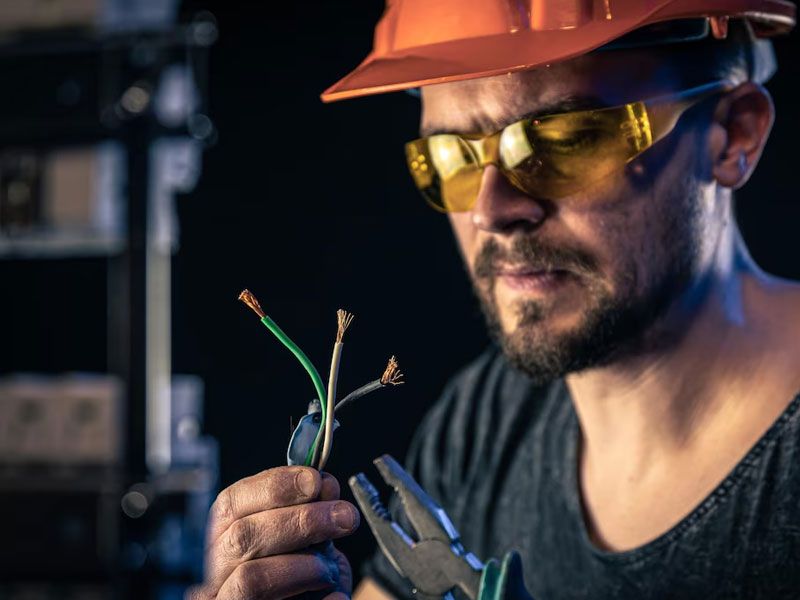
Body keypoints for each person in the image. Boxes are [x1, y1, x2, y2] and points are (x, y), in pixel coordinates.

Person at [189, 1, 800, 599]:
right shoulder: (487, 421)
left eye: (564, 140)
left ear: (733, 135)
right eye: (451, 157)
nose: (491, 210)